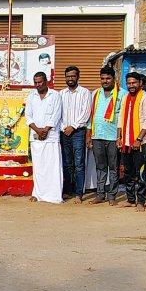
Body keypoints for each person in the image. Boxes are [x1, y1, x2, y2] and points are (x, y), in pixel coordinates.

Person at [87, 66, 125, 205]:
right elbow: (91, 115)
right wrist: (88, 134)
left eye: (108, 78)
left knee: (114, 167)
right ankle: (100, 194)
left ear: (113, 79)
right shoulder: (95, 94)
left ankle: (112, 197)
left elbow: (123, 118)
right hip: (97, 136)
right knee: (100, 167)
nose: (105, 81)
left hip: (113, 137)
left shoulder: (122, 94)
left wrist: (120, 137)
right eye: (102, 79)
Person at [117, 72, 146, 211]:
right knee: (128, 172)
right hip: (126, 142)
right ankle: (130, 199)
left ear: (140, 83)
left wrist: (138, 139)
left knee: (141, 173)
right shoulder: (126, 98)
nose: (131, 86)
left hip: (140, 143)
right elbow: (121, 118)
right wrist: (119, 137)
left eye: (134, 83)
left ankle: (141, 201)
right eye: (128, 83)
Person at [27, 71, 63, 203]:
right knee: (38, 167)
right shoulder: (31, 96)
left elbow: (56, 115)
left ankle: (54, 195)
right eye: (35, 82)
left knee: (52, 166)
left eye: (40, 82)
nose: (37, 85)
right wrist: (38, 130)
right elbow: (28, 116)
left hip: (51, 136)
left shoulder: (55, 95)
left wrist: (46, 130)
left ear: (46, 81)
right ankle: (37, 193)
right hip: (36, 136)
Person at [59, 66, 92, 204]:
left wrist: (73, 126)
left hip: (78, 131)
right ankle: (67, 191)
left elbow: (86, 112)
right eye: (68, 76)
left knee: (79, 163)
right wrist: (64, 128)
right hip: (63, 131)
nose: (70, 79)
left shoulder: (85, 92)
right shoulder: (61, 93)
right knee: (66, 163)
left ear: (78, 77)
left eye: (73, 76)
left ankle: (79, 193)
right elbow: (57, 113)